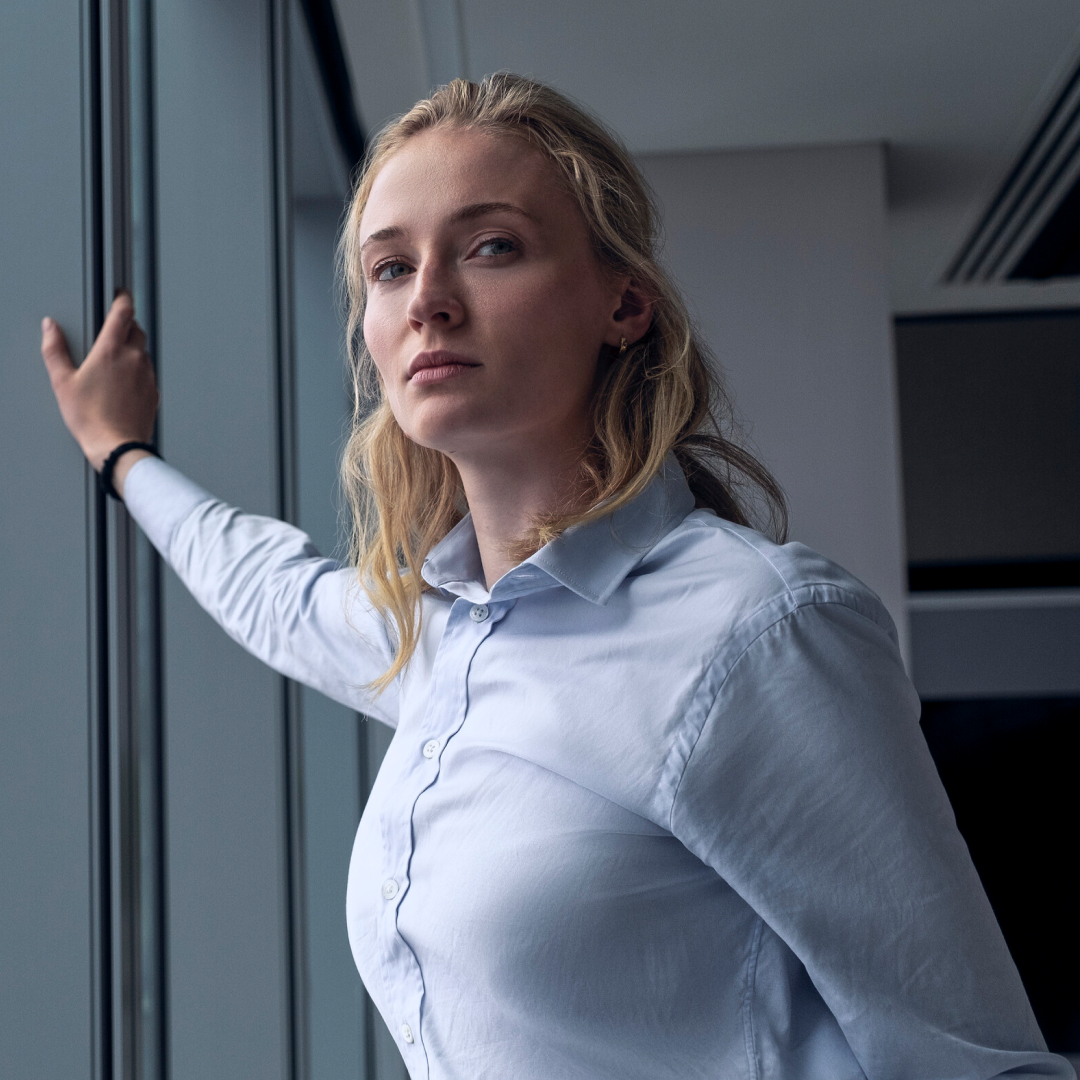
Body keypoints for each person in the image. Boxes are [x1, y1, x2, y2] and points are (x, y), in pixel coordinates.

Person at [42, 73, 1071, 1080]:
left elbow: (975, 1062)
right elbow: (272, 588)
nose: (429, 302)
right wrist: (119, 455)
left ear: (623, 304)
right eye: (390, 269)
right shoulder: (436, 636)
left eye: (491, 248)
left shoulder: (756, 629)